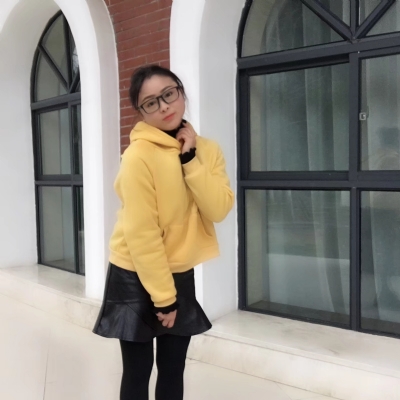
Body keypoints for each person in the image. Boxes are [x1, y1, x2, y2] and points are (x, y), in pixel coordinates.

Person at [93, 65, 234, 400]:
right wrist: (164, 299)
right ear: (141, 111)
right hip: (134, 271)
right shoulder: (138, 156)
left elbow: (218, 209)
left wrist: (190, 160)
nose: (165, 106)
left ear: (181, 92)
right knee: (138, 370)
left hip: (179, 270)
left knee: (173, 367)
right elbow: (142, 234)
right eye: (151, 102)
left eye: (169, 94)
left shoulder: (207, 150)